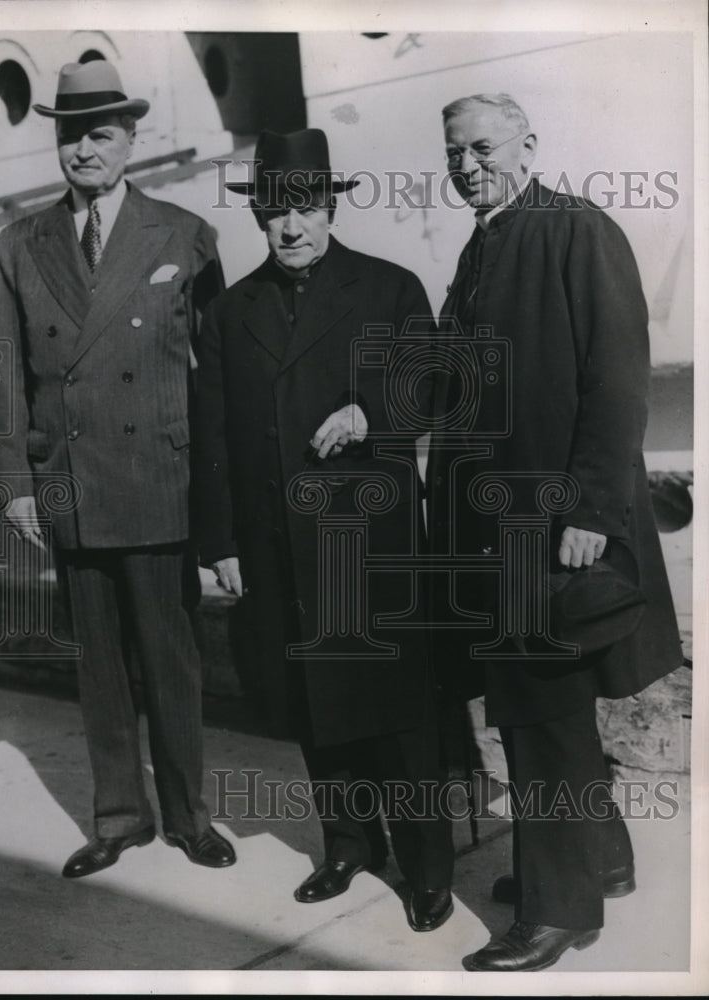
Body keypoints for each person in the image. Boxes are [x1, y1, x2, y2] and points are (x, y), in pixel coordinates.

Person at [426, 93, 683, 970]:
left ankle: (559, 911)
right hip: (496, 534)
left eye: (484, 148)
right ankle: (600, 859)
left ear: (529, 145)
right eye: (454, 154)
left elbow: (619, 384)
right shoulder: (484, 243)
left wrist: (586, 513)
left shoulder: (576, 230)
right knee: (550, 712)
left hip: (550, 529)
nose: (468, 166)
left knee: (543, 720)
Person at [195, 128, 454, 931]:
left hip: (369, 549)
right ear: (259, 218)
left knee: (397, 712)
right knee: (311, 706)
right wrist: (222, 542)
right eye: (276, 210)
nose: (292, 226)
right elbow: (213, 437)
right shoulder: (231, 312)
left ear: (330, 205)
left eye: (305, 206)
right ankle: (348, 844)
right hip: (278, 550)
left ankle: (428, 867)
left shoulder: (389, 288)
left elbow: (440, 388)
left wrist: (371, 412)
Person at [0, 60, 235, 878]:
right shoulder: (20, 243)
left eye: (99, 133)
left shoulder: (184, 234)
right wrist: (20, 484)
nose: (83, 150)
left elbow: (217, 378)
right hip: (74, 481)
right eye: (70, 134)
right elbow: (12, 376)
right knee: (96, 662)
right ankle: (118, 817)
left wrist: (216, 493)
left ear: (132, 140)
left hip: (159, 479)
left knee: (172, 660)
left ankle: (189, 817)